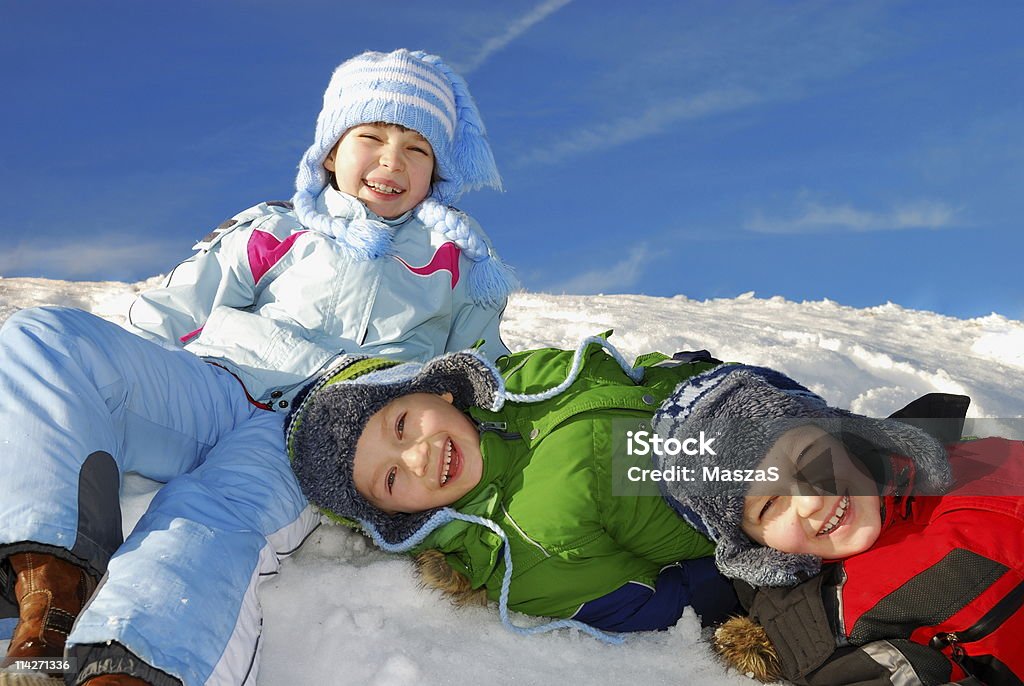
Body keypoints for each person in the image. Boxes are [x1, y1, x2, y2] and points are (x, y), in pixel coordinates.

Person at [0, 48, 513, 686]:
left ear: (435, 170)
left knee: (214, 512)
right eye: (371, 137)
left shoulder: (456, 264)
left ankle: (129, 670)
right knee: (47, 338)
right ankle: (49, 598)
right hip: (214, 385)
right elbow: (169, 312)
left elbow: (487, 377)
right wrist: (119, 383)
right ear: (331, 151)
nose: (391, 161)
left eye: (416, 148)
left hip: (316, 431)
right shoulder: (276, 227)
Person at [285, 337, 741, 642]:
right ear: (395, 517)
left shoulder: (529, 380)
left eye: (402, 425)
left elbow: (626, 383)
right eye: (390, 478)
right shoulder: (520, 551)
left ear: (435, 390)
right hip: (766, 507)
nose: (416, 458)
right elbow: (652, 604)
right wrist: (740, 580)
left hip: (747, 404)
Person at [651, 363, 1024, 685]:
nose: (812, 500)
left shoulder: (946, 455)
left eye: (810, 456)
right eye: (768, 505)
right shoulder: (827, 630)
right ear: (749, 548)